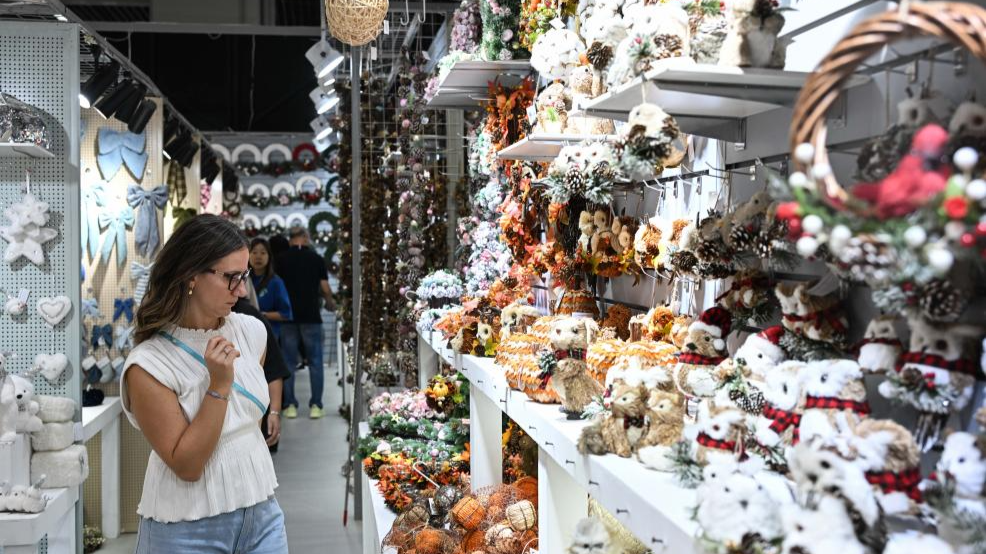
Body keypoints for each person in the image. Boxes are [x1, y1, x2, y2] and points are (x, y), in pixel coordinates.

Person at [122, 215, 287, 553]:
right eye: (231, 277)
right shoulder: (149, 364)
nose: (242, 290)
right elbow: (188, 465)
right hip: (186, 528)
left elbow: (244, 426)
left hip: (262, 513)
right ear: (190, 276)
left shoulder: (251, 332)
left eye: (243, 277)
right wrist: (218, 386)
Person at [276, 226, 335, 419]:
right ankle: (316, 405)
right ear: (304, 237)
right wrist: (330, 302)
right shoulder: (316, 259)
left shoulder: (281, 260)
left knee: (289, 362)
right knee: (316, 362)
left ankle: (290, 405)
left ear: (291, 239)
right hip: (311, 316)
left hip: (287, 317)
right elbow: (325, 288)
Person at [231, 297, 291, 453]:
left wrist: (274, 412)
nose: (241, 289)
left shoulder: (251, 319)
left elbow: (273, 369)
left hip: (254, 425)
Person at [248, 238, 293, 337]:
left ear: (269, 257)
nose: (258, 257)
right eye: (254, 252)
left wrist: (262, 315)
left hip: (268, 335)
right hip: (245, 334)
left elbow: (286, 314)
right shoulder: (242, 280)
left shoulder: (276, 282)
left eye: (263, 253)